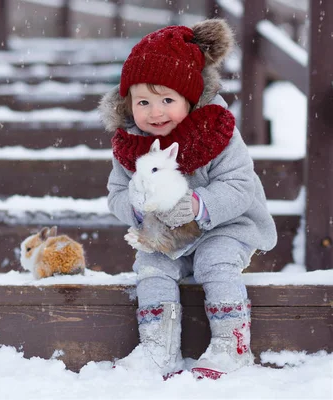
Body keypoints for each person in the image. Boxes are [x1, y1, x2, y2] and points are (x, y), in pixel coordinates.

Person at [98, 19, 277, 380]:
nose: (156, 112)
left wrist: (199, 204)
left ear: (190, 99)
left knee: (216, 260)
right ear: (128, 103)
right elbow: (116, 193)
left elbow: (241, 186)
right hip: (168, 235)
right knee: (151, 265)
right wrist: (136, 208)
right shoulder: (130, 146)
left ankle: (232, 345)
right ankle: (158, 349)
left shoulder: (217, 132)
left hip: (226, 226)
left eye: (167, 100)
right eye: (143, 101)